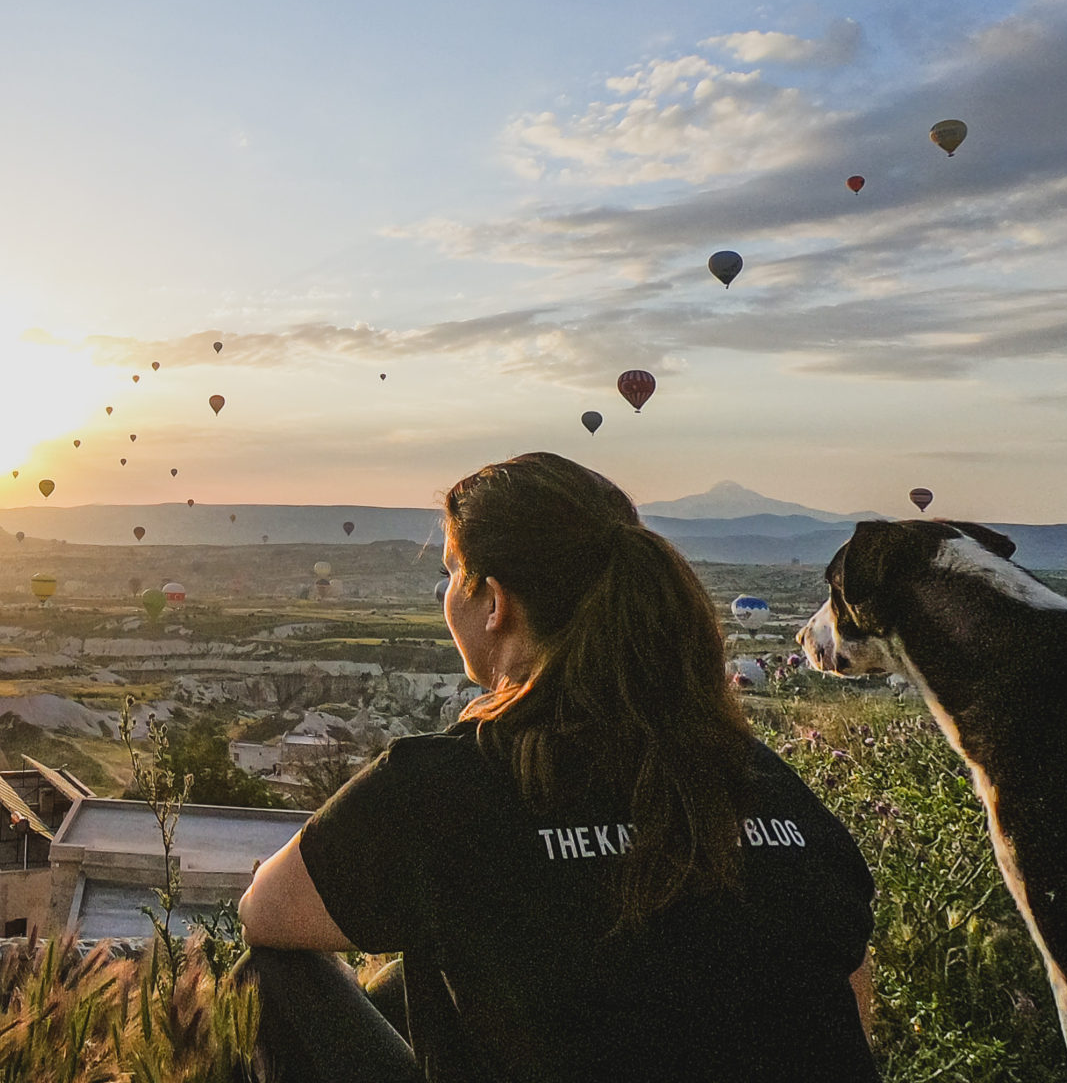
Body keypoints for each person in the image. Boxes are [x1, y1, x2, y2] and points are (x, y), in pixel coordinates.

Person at [238, 453, 876, 1082]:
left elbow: (263, 912)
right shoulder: (760, 777)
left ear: (492, 602)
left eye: (450, 575)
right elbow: (847, 990)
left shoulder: (443, 787)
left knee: (271, 974)